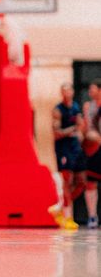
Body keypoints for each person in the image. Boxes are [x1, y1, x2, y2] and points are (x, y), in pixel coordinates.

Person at [48, 82, 85, 230]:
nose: (66, 93)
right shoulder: (58, 110)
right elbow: (57, 133)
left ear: (72, 92)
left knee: (82, 182)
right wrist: (72, 129)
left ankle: (59, 206)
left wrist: (81, 130)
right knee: (67, 181)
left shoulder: (76, 107)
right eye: (64, 91)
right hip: (63, 149)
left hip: (75, 148)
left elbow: (81, 126)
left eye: (68, 91)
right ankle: (68, 217)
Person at [83, 79, 101, 229]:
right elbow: (87, 128)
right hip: (94, 147)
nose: (90, 92)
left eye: (93, 89)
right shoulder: (89, 107)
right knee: (91, 181)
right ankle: (92, 216)